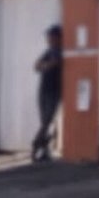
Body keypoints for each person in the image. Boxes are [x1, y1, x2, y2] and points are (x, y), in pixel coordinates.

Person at [32, 25, 64, 162]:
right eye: (48, 37)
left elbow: (55, 64)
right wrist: (46, 65)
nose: (48, 39)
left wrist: (46, 65)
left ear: (57, 37)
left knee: (47, 121)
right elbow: (36, 65)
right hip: (43, 90)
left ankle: (35, 144)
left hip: (54, 91)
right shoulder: (48, 52)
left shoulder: (59, 52)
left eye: (50, 36)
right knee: (45, 121)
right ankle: (44, 151)